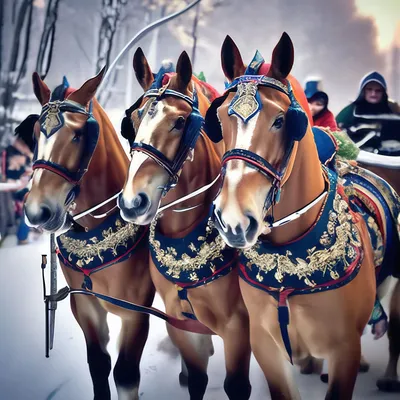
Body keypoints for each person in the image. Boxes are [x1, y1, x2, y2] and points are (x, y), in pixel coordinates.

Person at [336, 71, 400, 155]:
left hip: (392, 160)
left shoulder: (394, 109)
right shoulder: (351, 110)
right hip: (360, 159)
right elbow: (335, 132)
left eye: (378, 90)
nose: (373, 93)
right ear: (363, 90)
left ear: (383, 92)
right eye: (369, 89)